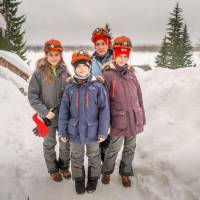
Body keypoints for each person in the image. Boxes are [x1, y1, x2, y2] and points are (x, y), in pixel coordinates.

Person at [58, 49, 110, 194]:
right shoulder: (69, 88)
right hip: (73, 131)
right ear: (74, 68)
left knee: (94, 156)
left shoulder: (97, 87)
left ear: (89, 67)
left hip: (93, 131)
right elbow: (64, 112)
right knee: (76, 157)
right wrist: (62, 131)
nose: (81, 69)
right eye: (78, 66)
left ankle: (93, 179)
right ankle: (79, 180)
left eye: (84, 66)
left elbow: (104, 110)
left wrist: (103, 131)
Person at [101, 36, 146, 187]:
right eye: (119, 56)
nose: (122, 59)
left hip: (133, 118)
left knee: (130, 148)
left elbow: (139, 97)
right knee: (113, 148)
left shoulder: (132, 74)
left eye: (125, 56)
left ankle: (125, 173)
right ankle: (106, 171)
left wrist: (142, 117)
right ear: (114, 55)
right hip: (118, 120)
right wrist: (105, 123)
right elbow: (104, 102)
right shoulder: (107, 75)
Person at [28, 39, 71, 182]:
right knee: (49, 143)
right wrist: (45, 112)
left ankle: (64, 166)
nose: (54, 57)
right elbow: (32, 96)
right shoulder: (39, 73)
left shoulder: (65, 71)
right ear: (46, 55)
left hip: (64, 116)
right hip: (48, 117)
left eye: (56, 54)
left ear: (61, 55)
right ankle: (53, 169)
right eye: (50, 54)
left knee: (65, 143)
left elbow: (73, 90)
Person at [91, 27, 113, 161]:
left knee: (109, 133)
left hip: (112, 101)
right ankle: (97, 160)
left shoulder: (115, 59)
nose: (100, 47)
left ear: (108, 44)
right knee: (98, 132)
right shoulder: (89, 61)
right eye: (97, 44)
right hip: (95, 103)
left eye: (103, 44)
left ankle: (107, 161)